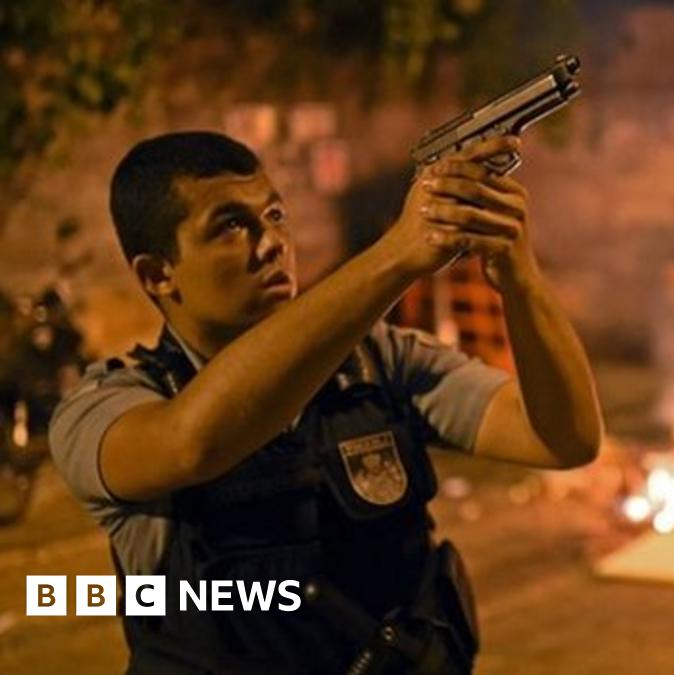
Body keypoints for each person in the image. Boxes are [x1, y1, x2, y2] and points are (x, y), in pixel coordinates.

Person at [48, 130, 603, 674]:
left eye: (274, 216)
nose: (270, 244)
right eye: (230, 227)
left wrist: (517, 275)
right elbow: (191, 444)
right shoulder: (107, 407)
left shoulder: (376, 361)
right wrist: (396, 257)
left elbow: (562, 437)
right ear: (158, 274)